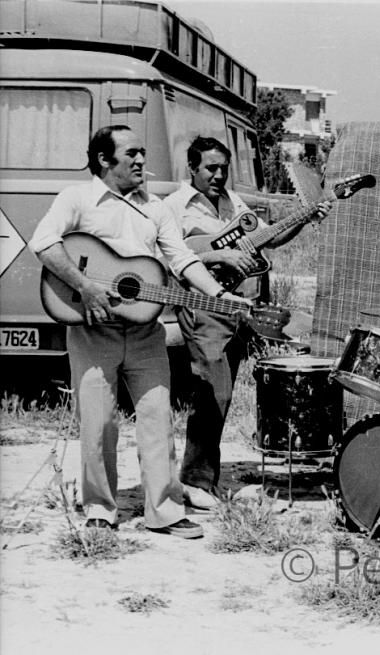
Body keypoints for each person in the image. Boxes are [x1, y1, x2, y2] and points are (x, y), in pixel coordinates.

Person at [29, 125, 249, 538]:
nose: (141, 161)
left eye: (143, 153)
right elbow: (42, 243)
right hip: (94, 331)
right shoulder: (76, 199)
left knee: (156, 419)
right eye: (131, 154)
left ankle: (164, 511)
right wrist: (85, 286)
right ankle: (99, 509)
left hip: (146, 334)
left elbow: (182, 259)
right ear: (104, 161)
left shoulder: (157, 208)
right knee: (98, 424)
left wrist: (220, 294)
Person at [162, 136, 329, 509]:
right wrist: (215, 255)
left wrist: (304, 218)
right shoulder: (174, 206)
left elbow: (267, 239)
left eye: (224, 168)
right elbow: (167, 253)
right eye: (211, 168)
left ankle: (204, 477)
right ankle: (194, 481)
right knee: (212, 390)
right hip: (201, 305)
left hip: (236, 308)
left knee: (221, 389)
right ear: (192, 168)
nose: (219, 175)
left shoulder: (233, 203)